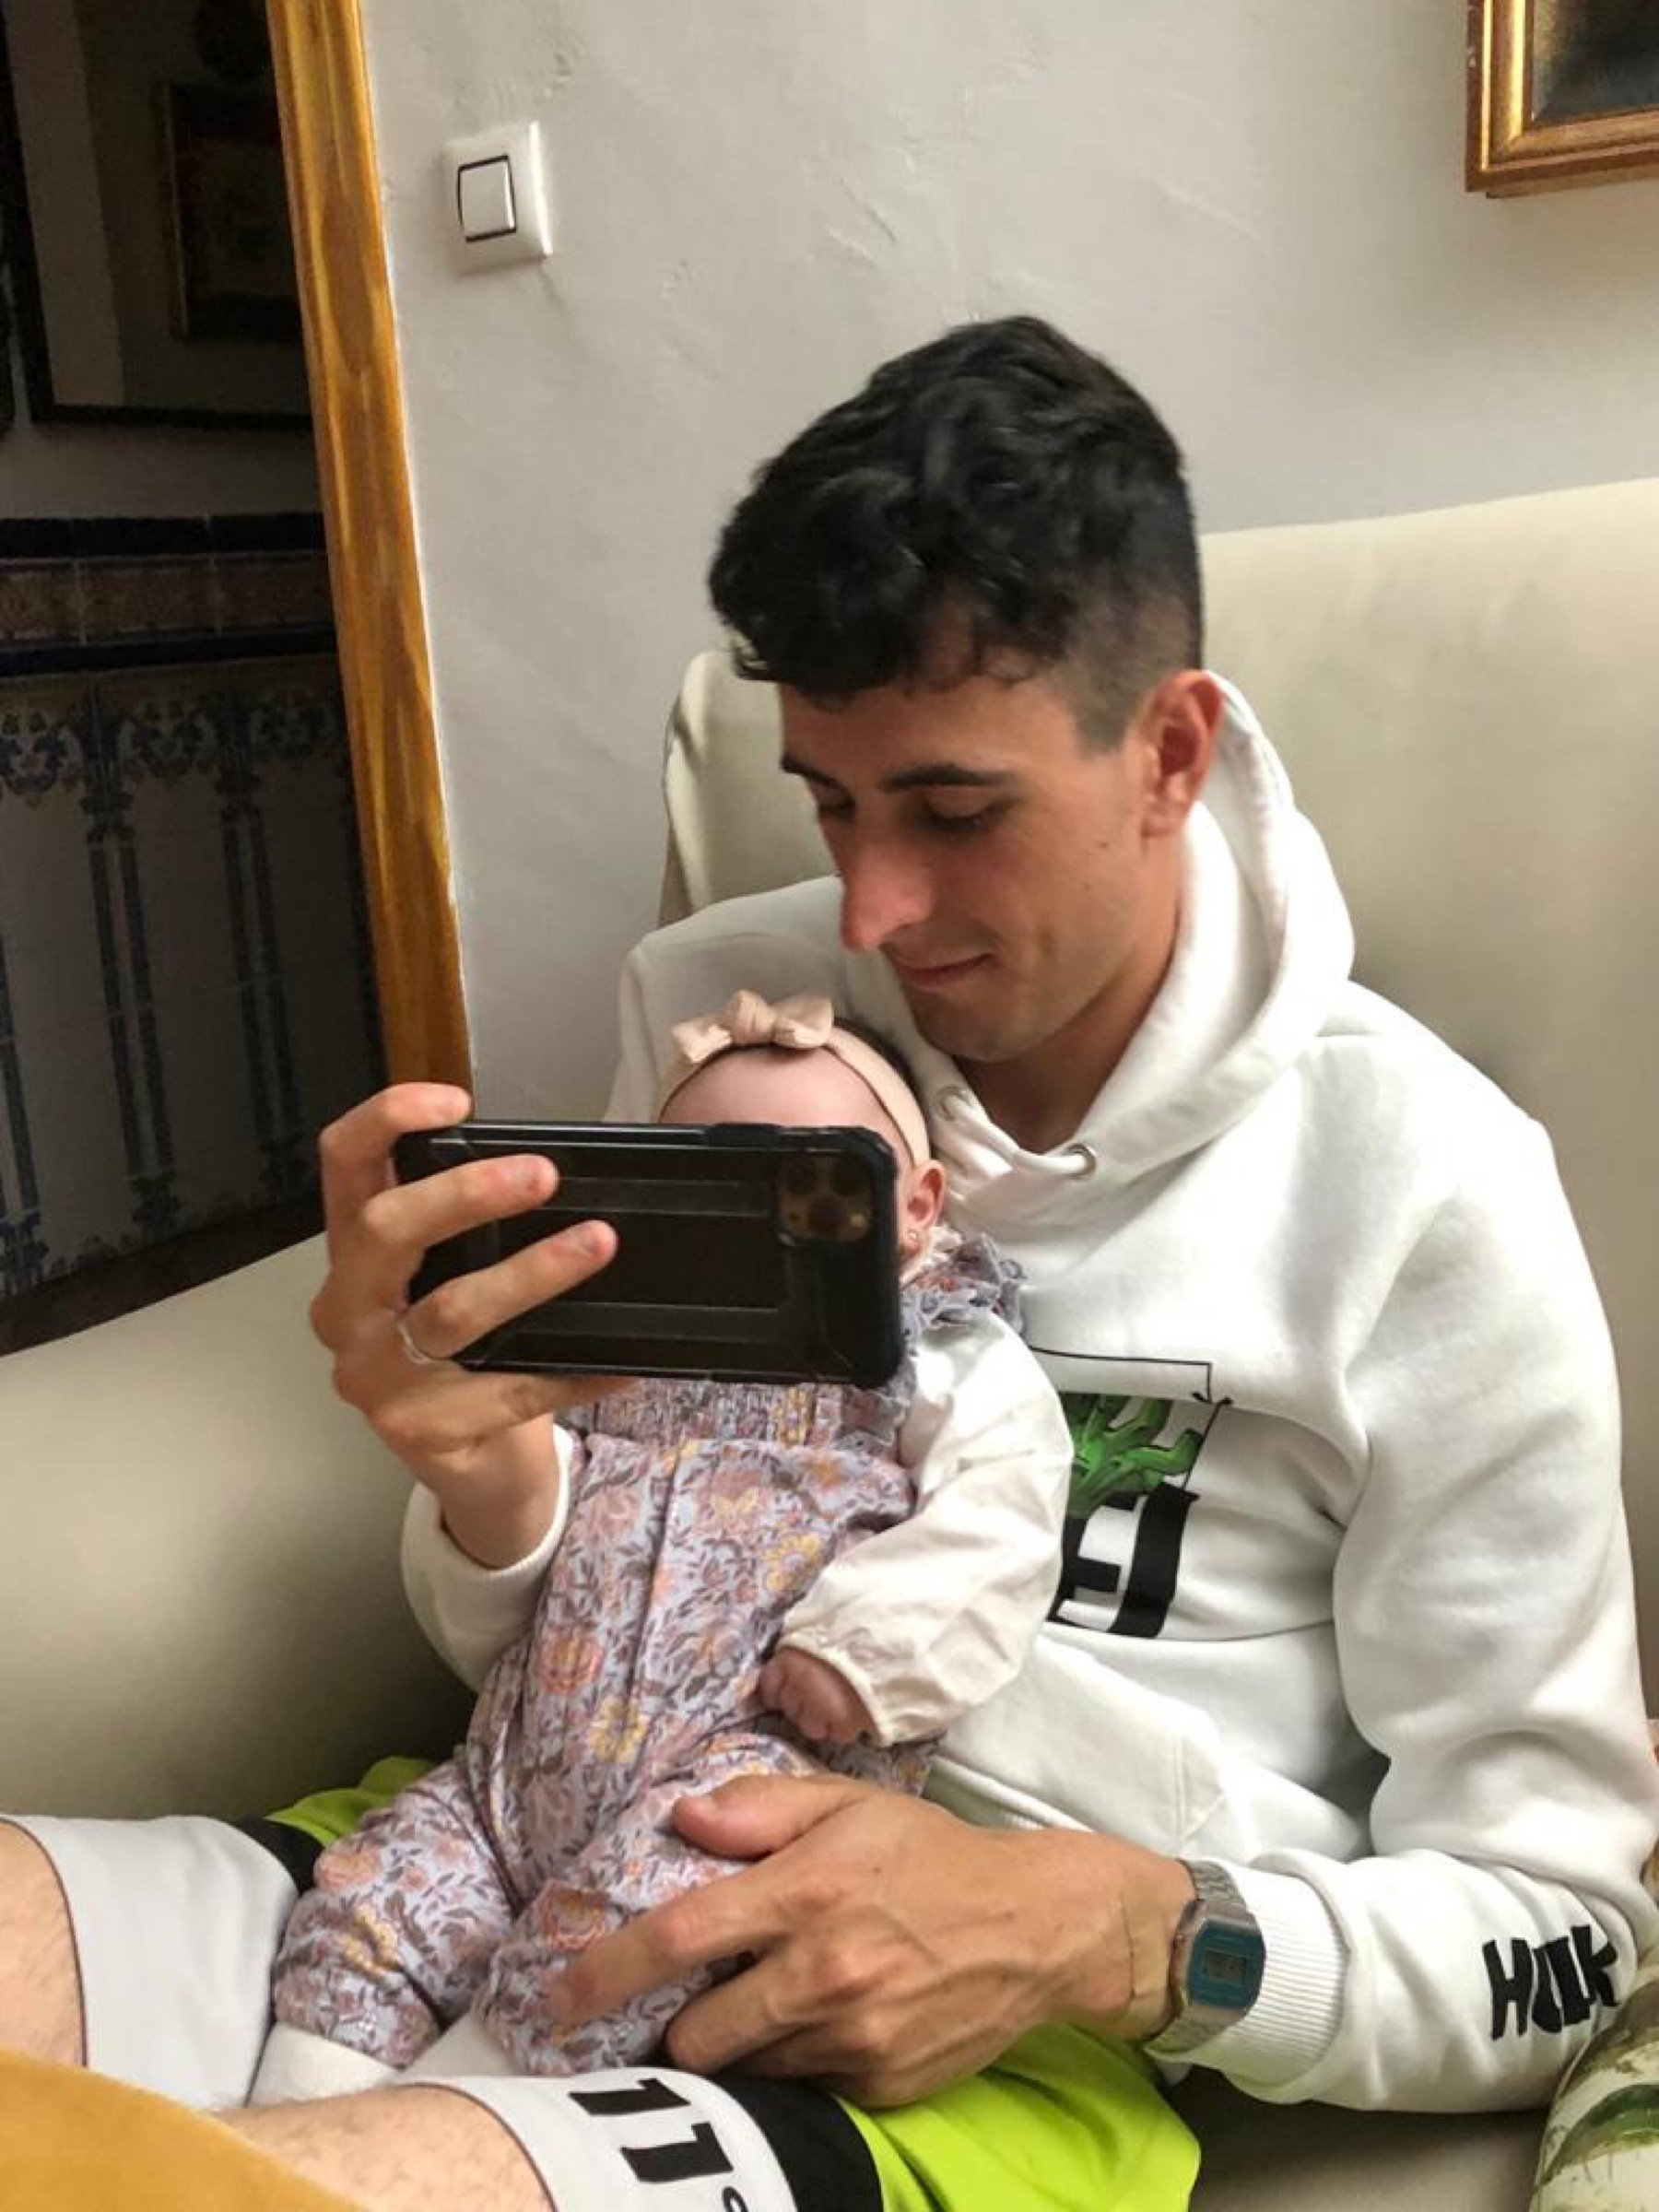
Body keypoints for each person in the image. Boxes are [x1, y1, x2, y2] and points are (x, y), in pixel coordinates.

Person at [3, 314, 1655, 2212]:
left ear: (1169, 753)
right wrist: (481, 1487)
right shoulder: (714, 1009)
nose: (870, 912)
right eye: (828, 801)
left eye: (955, 811)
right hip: (516, 1819)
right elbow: (576, 1592)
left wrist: (1121, 1934)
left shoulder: (1423, 1187)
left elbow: (1563, 1934)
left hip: (963, 2038)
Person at [253, 989, 1074, 2099]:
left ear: (915, 1208)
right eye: (709, 1186)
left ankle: (443, 2111)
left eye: (802, 1186)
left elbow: (1005, 1514)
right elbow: (530, 1509)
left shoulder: (935, 1352)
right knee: (375, 1896)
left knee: (637, 1926)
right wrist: (498, 1491)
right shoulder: (617, 1349)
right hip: (518, 1769)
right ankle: (291, 2109)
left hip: (755, 1761)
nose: (751, 1228)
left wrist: (867, 1652)